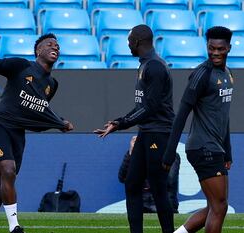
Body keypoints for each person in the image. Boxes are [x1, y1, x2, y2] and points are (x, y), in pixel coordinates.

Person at [0, 33, 73, 233]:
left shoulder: (52, 85)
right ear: (38, 51)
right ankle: (14, 227)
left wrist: (58, 123)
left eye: (58, 46)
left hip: (18, 135)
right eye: (50, 44)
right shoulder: (21, 66)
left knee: (1, 188)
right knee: (8, 169)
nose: (56, 48)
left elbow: (35, 116)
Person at [94, 24, 175, 233]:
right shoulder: (145, 64)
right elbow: (143, 107)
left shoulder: (155, 66)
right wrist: (119, 122)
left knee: (158, 188)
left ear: (137, 42)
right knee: (132, 183)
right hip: (147, 131)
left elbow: (150, 107)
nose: (128, 44)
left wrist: (121, 123)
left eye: (129, 41)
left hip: (159, 132)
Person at [163, 26, 234, 233]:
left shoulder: (228, 74)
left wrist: (227, 151)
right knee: (219, 207)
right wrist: (169, 154)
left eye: (220, 49)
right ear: (207, 47)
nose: (215, 53)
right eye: (211, 48)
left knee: (216, 206)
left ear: (229, 48)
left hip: (215, 148)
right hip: (203, 147)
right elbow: (182, 114)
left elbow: (223, 116)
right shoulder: (202, 74)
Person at [118, 136, 180, 213]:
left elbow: (170, 181)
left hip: (163, 205)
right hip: (141, 205)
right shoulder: (136, 156)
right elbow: (122, 178)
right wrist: (131, 153)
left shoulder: (170, 155)